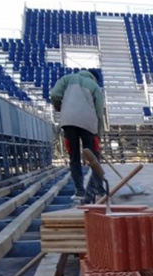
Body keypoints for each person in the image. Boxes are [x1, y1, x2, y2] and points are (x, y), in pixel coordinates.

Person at [49, 69, 106, 203]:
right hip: (88, 123)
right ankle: (100, 191)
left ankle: (79, 192)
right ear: (94, 78)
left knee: (74, 157)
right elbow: (99, 113)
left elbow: (54, 94)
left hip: (68, 122)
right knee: (94, 158)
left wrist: (59, 107)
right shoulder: (94, 86)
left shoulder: (66, 79)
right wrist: (99, 134)